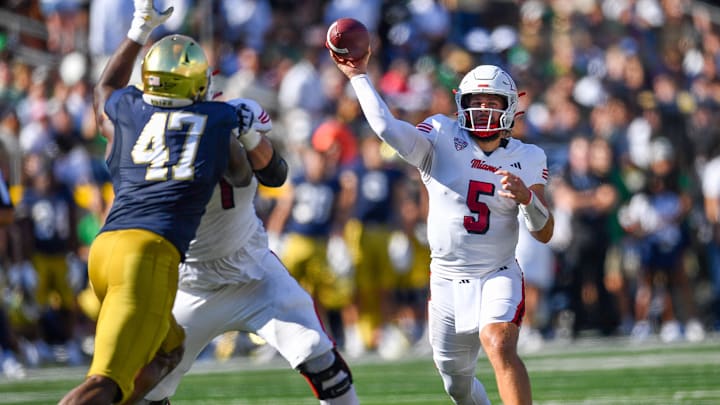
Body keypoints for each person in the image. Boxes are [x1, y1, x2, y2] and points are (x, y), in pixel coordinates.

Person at [331, 48, 554, 404]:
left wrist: (527, 198)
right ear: (461, 103)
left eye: (491, 101)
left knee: (499, 343)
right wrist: (358, 76)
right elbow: (388, 128)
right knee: (456, 383)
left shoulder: (527, 157)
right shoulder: (439, 134)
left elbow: (545, 233)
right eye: (475, 100)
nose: (482, 108)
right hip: (447, 278)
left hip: (497, 272)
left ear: (510, 107)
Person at [59, 0, 254, 403]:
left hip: (106, 248)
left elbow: (103, 90)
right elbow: (242, 175)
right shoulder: (216, 120)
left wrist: (138, 29)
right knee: (102, 384)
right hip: (148, 255)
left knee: (169, 350)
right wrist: (249, 135)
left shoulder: (128, 110)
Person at [143, 98, 359, 405]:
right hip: (191, 284)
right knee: (145, 390)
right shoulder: (150, 135)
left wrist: (249, 135)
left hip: (254, 271)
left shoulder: (235, 115)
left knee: (321, 359)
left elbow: (275, 174)